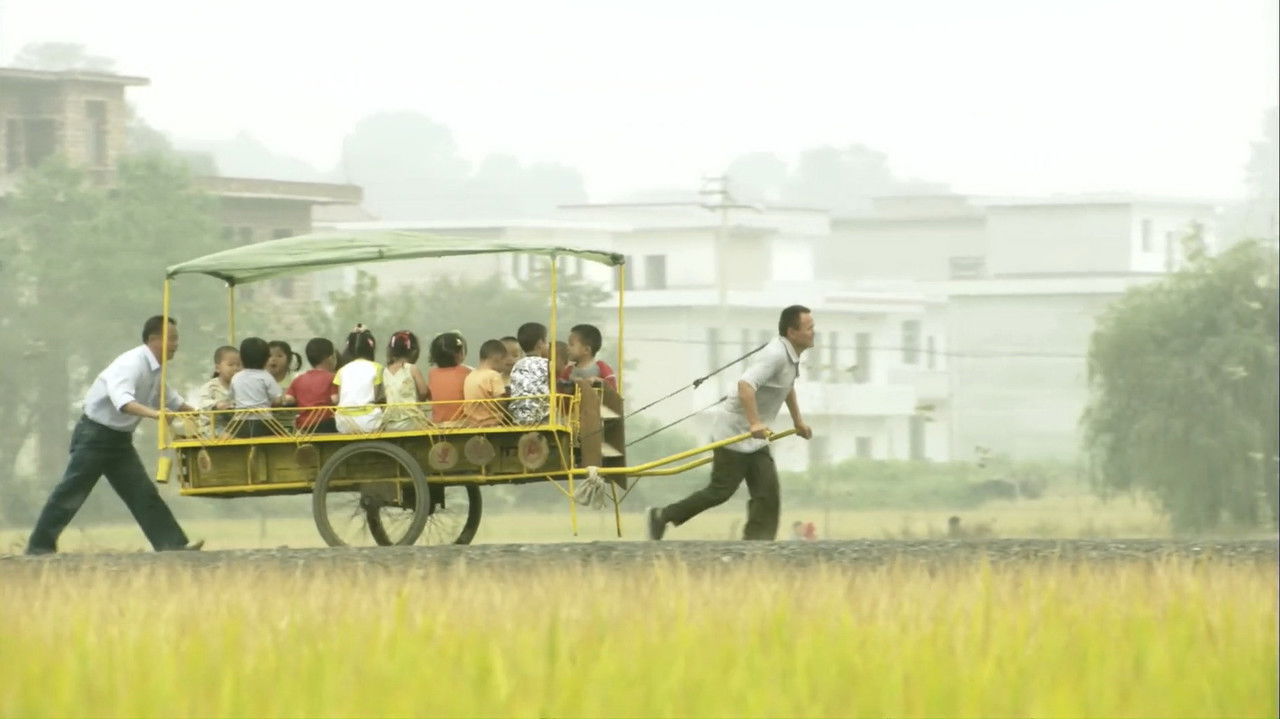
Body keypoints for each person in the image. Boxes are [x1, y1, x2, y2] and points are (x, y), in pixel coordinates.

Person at [25, 316, 202, 554]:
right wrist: (157, 415)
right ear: (153, 340)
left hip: (119, 441)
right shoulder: (130, 364)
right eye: (172, 339)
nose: (176, 344)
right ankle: (39, 547)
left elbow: (171, 398)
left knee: (142, 492)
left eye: (176, 339)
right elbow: (124, 402)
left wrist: (200, 416)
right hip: (94, 435)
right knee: (71, 490)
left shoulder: (156, 369)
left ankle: (173, 545)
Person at [648, 305, 815, 541]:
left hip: (755, 439)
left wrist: (798, 422)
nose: (813, 332)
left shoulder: (791, 356)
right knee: (720, 492)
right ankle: (662, 515)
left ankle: (756, 545)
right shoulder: (775, 355)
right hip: (733, 433)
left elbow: (786, 388)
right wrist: (755, 423)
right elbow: (745, 386)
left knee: (767, 494)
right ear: (792, 332)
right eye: (809, 328)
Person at [229, 336, 286, 438]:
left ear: (241, 358)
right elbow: (278, 400)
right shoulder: (267, 377)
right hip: (264, 421)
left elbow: (232, 398)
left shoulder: (236, 377)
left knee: (226, 437)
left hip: (239, 423)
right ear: (266, 359)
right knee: (286, 437)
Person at [332, 324, 384, 434]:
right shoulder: (377, 368)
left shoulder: (342, 370)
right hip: (369, 423)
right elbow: (377, 396)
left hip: (343, 423)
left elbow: (341, 398)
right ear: (371, 348)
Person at [286, 337, 339, 433]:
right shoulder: (333, 377)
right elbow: (335, 399)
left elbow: (289, 399)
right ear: (331, 358)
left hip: (304, 425)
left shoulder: (298, 379)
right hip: (326, 423)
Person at [383, 330, 429, 431]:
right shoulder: (412, 369)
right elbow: (423, 391)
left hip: (389, 423)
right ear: (413, 351)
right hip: (411, 421)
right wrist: (420, 400)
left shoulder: (385, 371)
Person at [508, 322, 551, 425]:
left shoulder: (517, 365)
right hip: (540, 418)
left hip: (518, 418)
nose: (548, 345)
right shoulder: (546, 364)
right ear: (540, 344)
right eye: (547, 341)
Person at [462, 339, 510, 427]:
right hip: (491, 423)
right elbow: (500, 402)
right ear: (497, 358)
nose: (505, 364)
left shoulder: (470, 376)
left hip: (472, 424)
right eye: (504, 360)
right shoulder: (494, 375)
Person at [194, 345, 241, 435]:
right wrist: (216, 404)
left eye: (238, 365)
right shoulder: (211, 387)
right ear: (218, 368)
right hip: (212, 427)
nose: (235, 368)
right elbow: (202, 403)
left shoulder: (241, 387)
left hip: (233, 425)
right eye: (230, 365)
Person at [426, 331, 471, 424]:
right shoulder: (467, 372)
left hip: (438, 423)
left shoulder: (432, 373)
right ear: (459, 354)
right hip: (462, 423)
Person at [560, 323, 617, 390]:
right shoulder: (569, 370)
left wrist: (598, 381)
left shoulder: (601, 367)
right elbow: (560, 386)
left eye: (571, 344)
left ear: (586, 350)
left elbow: (612, 386)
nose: (567, 347)